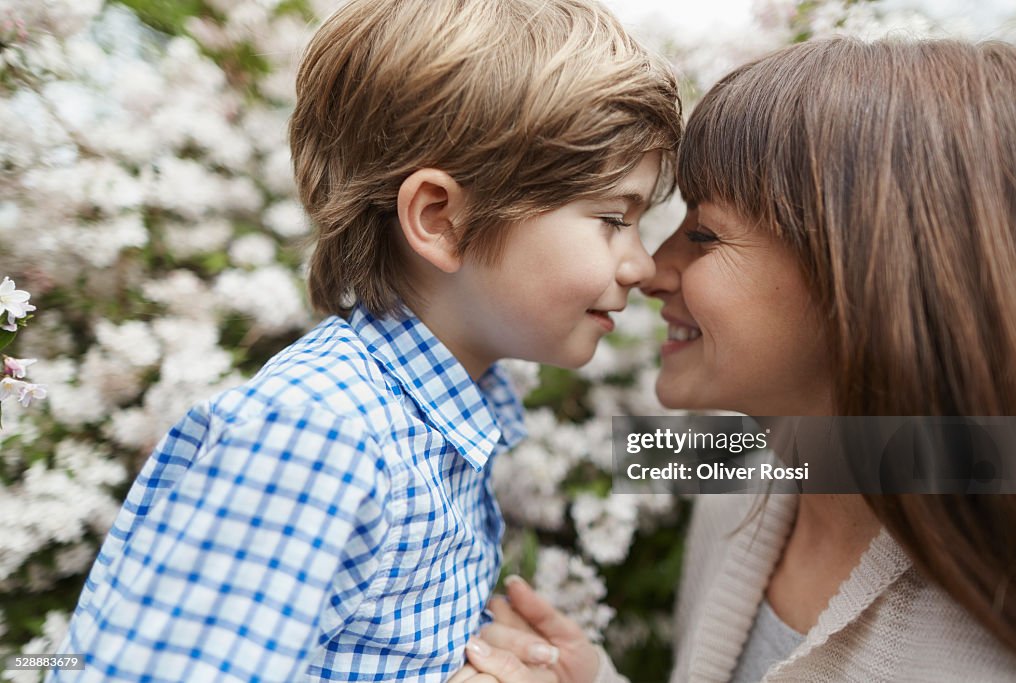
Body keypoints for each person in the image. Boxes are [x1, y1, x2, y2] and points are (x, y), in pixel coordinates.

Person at [51, 0, 681, 680]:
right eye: (613, 218)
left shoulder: (434, 423)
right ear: (440, 219)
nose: (641, 265)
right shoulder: (321, 432)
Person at [456, 37, 1016, 682]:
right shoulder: (740, 488)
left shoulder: (989, 628)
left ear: (869, 275)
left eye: (703, 235)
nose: (648, 269)